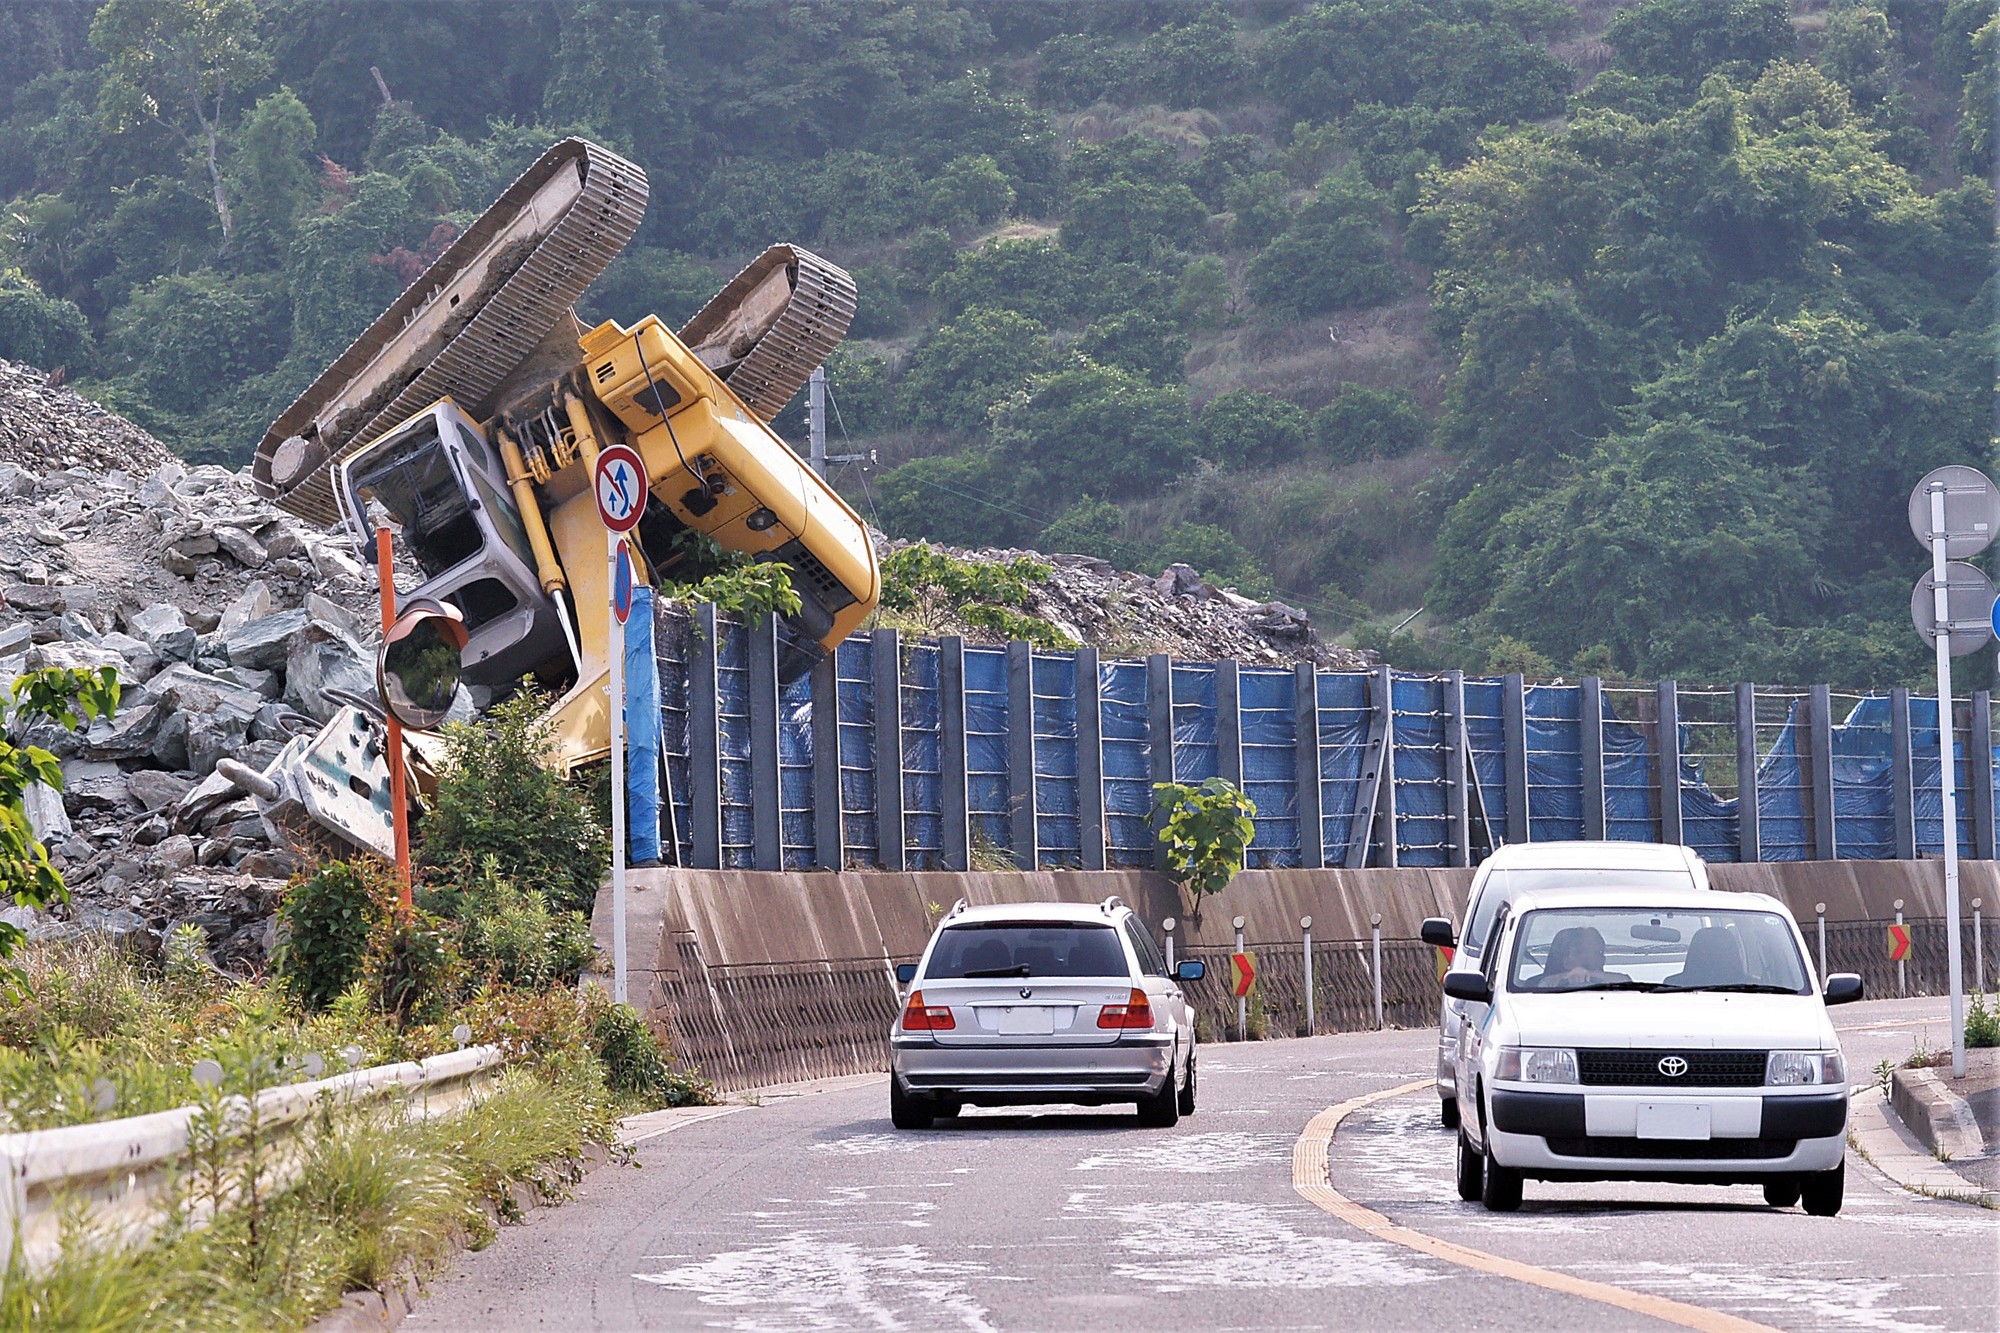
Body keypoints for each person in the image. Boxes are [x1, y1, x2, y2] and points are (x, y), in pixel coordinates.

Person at [1535, 925, 1628, 989]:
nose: (1587, 956)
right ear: (1566, 961)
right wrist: (1565, 977)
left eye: (1595, 952)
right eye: (1579, 952)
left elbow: (1625, 982)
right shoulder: (1548, 985)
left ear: (1603, 960)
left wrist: (1590, 975)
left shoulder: (1620, 985)